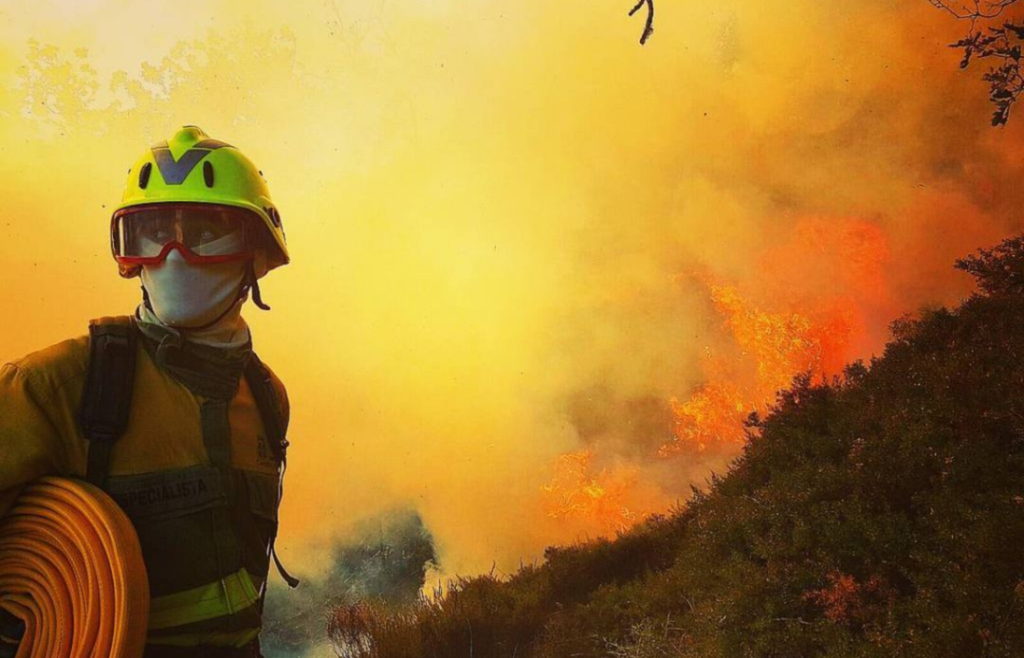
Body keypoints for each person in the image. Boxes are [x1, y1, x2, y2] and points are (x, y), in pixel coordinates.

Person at [0, 125, 297, 658]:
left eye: (208, 233)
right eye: (151, 233)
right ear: (127, 254)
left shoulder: (267, 395)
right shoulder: (63, 385)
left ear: (258, 256)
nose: (174, 255)